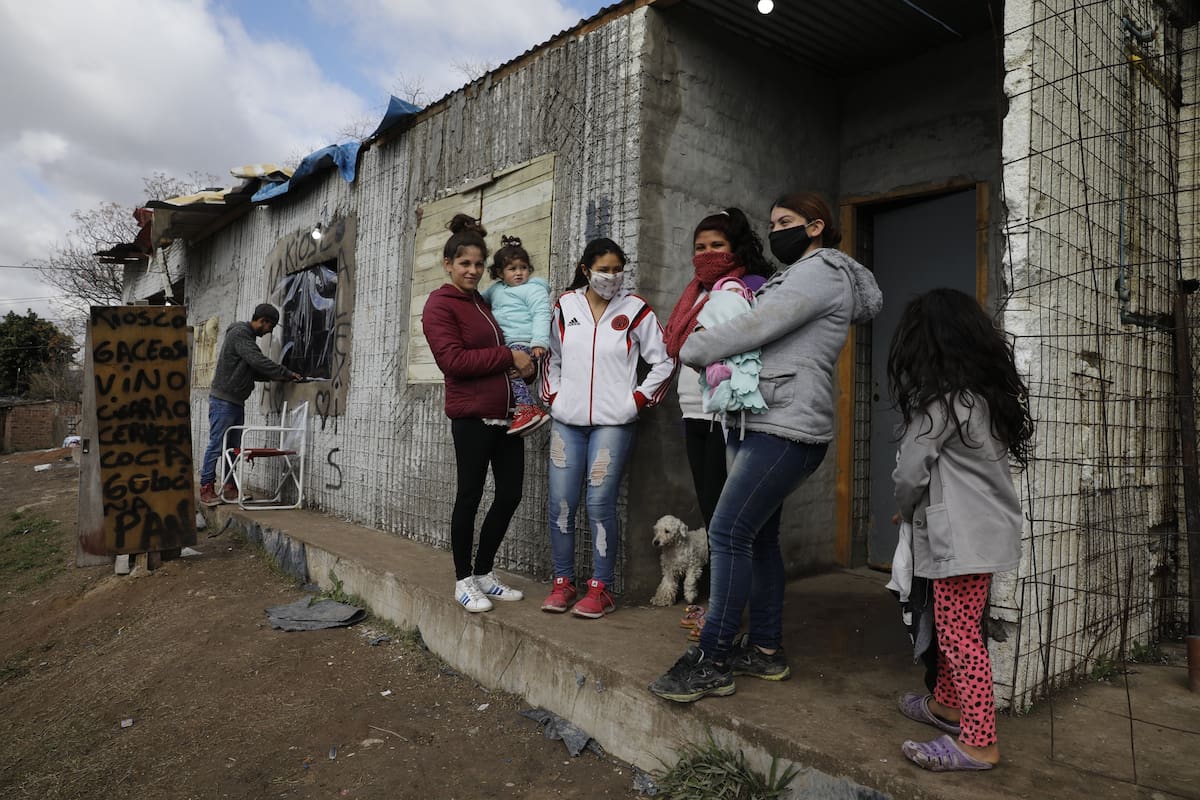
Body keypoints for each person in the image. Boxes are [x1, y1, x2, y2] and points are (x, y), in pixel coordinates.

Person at [649, 191, 882, 702]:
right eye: (773, 222)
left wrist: (693, 347)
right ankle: (767, 650)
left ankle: (713, 659)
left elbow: (755, 325)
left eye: (787, 221)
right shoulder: (798, 273)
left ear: (816, 226)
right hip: (770, 419)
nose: (776, 230)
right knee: (756, 539)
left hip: (788, 426)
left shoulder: (817, 272)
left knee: (729, 530)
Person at [888, 288, 1033, 772]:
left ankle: (979, 742)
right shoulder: (982, 400)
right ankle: (948, 707)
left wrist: (905, 510)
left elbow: (911, 473)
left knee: (958, 637)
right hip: (984, 535)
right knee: (958, 627)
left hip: (961, 542)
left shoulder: (940, 406)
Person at [539, 238, 676, 618]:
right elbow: (552, 358)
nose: (612, 277)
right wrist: (555, 399)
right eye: (605, 270)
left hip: (613, 426)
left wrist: (635, 401)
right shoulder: (565, 307)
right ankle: (563, 583)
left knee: (600, 504)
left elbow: (664, 362)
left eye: (618, 269)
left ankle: (601, 589)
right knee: (562, 505)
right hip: (567, 422)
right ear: (585, 270)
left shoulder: (636, 311)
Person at [422, 214, 535, 613]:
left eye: (478, 264)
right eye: (464, 263)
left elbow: (509, 350)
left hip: (507, 416)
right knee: (469, 497)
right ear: (448, 264)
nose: (472, 270)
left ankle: (485, 571)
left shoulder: (484, 303)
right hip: (471, 417)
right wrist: (508, 355)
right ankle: (463, 579)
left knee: (510, 494)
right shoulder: (440, 304)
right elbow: (453, 361)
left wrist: (526, 361)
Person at [662, 208, 773, 530]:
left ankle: (732, 580)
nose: (707, 254)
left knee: (731, 513)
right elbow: (681, 346)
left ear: (735, 248)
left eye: (717, 245)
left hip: (728, 412)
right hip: (693, 410)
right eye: (700, 247)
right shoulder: (694, 292)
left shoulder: (752, 285)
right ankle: (717, 578)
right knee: (709, 506)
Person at [199, 303, 301, 507]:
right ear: (263, 321)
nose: (270, 331)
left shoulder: (246, 338)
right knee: (217, 445)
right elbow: (258, 361)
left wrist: (280, 377)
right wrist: (285, 373)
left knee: (234, 448)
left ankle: (229, 486)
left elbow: (253, 370)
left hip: (235, 402)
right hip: (223, 401)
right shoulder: (240, 334)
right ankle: (206, 488)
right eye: (270, 326)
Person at [481, 235, 552, 436]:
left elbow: (541, 314)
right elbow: (478, 302)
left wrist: (539, 342)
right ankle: (525, 409)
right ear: (500, 273)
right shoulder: (496, 290)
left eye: (523, 267)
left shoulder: (533, 290)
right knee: (506, 374)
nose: (519, 273)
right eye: (512, 269)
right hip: (505, 345)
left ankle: (527, 409)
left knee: (512, 372)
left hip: (523, 342)